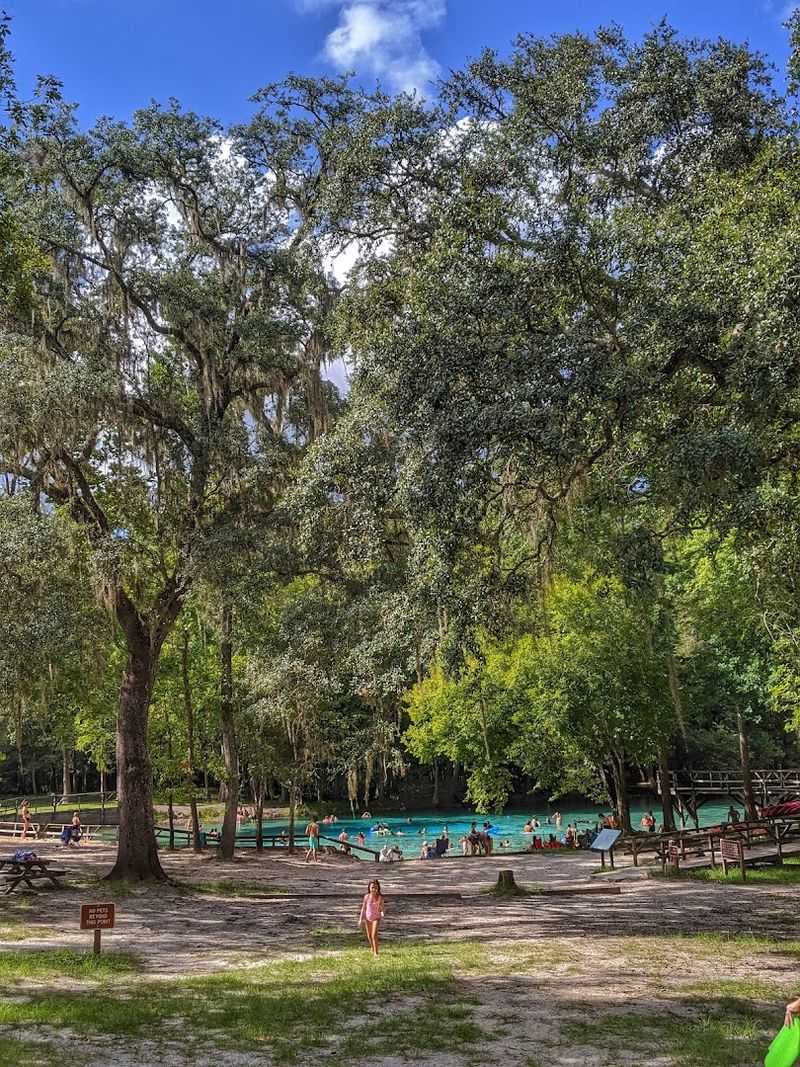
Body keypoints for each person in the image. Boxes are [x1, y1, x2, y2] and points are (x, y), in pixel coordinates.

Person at [358, 879, 385, 955]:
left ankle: (376, 953)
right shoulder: (366, 897)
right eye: (372, 887)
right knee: (369, 935)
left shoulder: (380, 898)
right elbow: (363, 908)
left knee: (374, 934)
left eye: (376, 888)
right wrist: (360, 919)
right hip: (367, 918)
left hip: (376, 918)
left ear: (378, 888)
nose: (374, 889)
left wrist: (382, 912)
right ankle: (372, 948)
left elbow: (382, 908)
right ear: (369, 888)